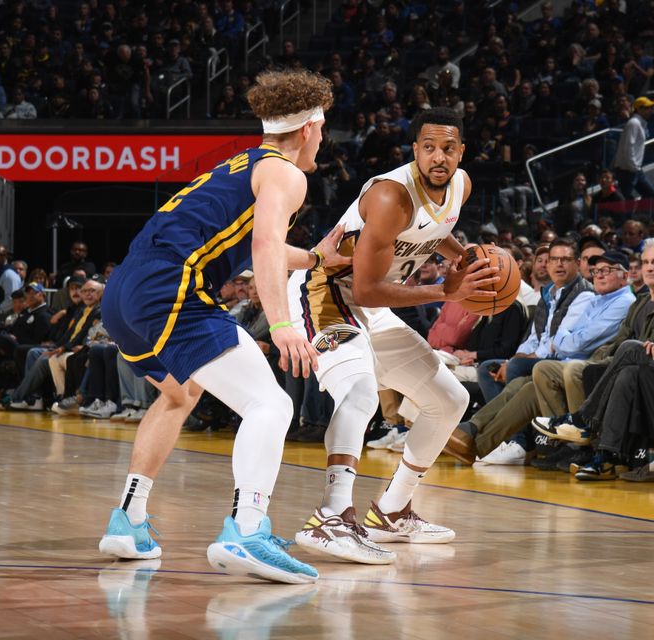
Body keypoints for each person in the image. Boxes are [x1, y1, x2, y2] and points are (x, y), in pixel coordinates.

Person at [97, 69, 350, 585]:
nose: (322, 139)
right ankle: (247, 529)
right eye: (322, 130)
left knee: (178, 394)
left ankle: (130, 519)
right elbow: (262, 251)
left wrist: (315, 258)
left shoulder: (240, 165)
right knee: (272, 403)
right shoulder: (287, 174)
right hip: (171, 289)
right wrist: (282, 323)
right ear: (309, 129)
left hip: (124, 293)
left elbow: (270, 244)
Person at [287, 108, 499, 564]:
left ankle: (391, 509)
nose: (438, 157)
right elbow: (364, 288)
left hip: (371, 306)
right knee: (361, 392)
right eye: (428, 147)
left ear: (461, 153)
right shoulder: (390, 196)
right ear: (415, 151)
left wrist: (467, 260)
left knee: (449, 399)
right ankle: (331, 515)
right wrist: (445, 290)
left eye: (448, 148)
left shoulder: (460, 186)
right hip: (324, 291)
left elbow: (436, 231)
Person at [612, 97, 654, 199]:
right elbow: (629, 147)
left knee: (650, 195)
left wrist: (635, 168)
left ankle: (644, 214)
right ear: (639, 109)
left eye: (651, 107)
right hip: (628, 169)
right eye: (647, 107)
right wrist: (633, 167)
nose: (650, 110)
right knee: (626, 198)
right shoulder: (634, 123)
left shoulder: (639, 123)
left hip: (634, 168)